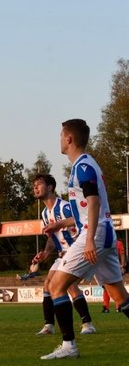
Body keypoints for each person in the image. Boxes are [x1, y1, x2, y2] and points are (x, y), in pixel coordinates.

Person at [40, 119, 129, 360]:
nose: (59, 139)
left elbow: (94, 203)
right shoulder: (86, 165)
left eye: (61, 135)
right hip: (103, 233)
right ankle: (69, 344)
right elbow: (85, 209)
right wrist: (62, 223)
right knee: (120, 297)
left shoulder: (83, 166)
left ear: (69, 139)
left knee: (56, 286)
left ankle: (69, 345)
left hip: (95, 235)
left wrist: (88, 239)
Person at [31, 173, 95, 336]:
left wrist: (61, 223)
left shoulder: (65, 206)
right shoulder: (45, 214)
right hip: (62, 255)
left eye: (39, 184)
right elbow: (53, 237)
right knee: (47, 286)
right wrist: (45, 252)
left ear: (50, 187)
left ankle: (87, 323)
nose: (35, 188)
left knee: (70, 286)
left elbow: (82, 218)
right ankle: (49, 326)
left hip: (77, 251)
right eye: (34, 185)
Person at [102, 237, 126, 313]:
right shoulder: (117, 243)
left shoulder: (105, 242)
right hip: (113, 266)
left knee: (107, 287)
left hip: (111, 267)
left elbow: (122, 254)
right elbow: (122, 254)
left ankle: (107, 307)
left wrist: (122, 265)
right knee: (113, 286)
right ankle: (117, 307)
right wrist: (122, 265)